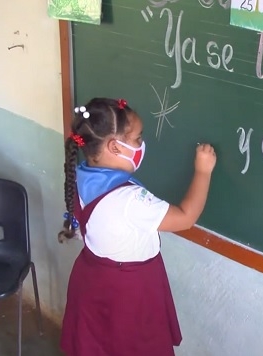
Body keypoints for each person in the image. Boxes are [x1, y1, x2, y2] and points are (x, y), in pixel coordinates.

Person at [58, 97, 216, 356]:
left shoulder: (82, 173)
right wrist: (203, 171)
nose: (143, 145)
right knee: (134, 345)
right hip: (129, 290)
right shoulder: (130, 200)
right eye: (138, 139)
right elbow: (186, 217)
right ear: (114, 147)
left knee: (101, 345)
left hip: (92, 279)